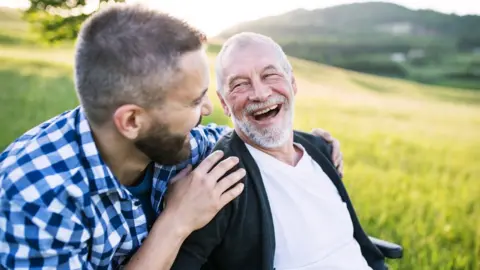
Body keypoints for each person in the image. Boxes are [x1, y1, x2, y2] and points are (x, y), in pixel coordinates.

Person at [0, 4, 343, 269]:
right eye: (194, 101)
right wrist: (176, 221)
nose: (208, 109)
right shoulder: (34, 196)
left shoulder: (182, 143)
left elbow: (241, 136)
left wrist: (311, 145)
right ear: (132, 120)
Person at [170, 32, 388, 270]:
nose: (261, 94)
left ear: (292, 84)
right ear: (224, 104)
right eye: (240, 84)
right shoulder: (221, 181)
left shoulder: (321, 150)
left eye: (270, 75)